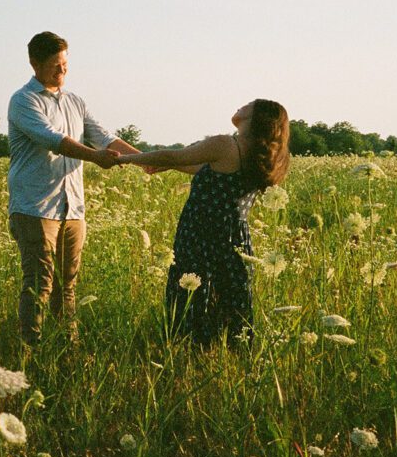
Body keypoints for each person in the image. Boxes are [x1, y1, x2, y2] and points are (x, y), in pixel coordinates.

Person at [118, 99, 290, 345]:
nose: (241, 106)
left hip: (201, 233)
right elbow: (198, 166)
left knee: (194, 291)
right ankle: (228, 350)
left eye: (248, 105)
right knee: (228, 294)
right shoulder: (260, 154)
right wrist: (168, 165)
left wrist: (123, 158)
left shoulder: (224, 144)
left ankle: (192, 348)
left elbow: (174, 156)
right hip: (235, 237)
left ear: (256, 118)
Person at [7, 31, 142, 345]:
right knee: (39, 284)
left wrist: (146, 160)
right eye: (55, 65)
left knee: (67, 286)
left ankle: (68, 347)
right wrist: (96, 158)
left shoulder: (76, 102)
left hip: (73, 208)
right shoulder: (24, 100)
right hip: (35, 207)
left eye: (65, 64)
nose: (62, 71)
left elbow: (104, 138)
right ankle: (31, 349)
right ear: (34, 63)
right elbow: (53, 140)